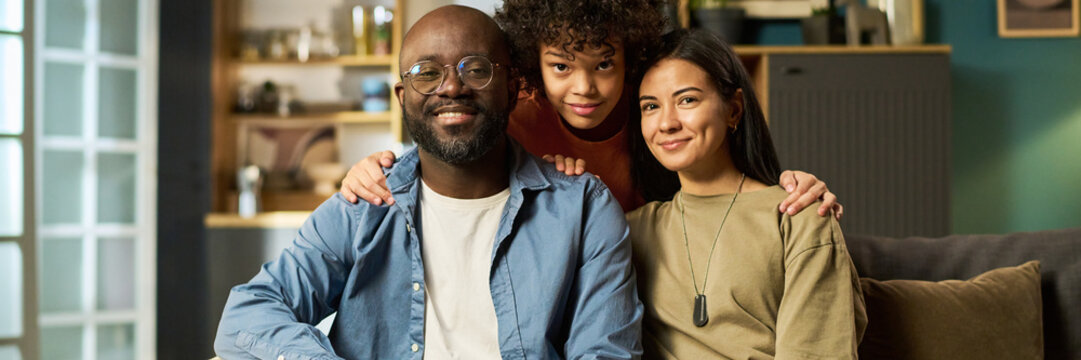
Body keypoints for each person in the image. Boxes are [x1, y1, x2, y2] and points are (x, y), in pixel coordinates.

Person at [214, 6, 643, 359]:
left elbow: (605, 352)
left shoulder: (584, 208)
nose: (452, 87)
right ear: (403, 98)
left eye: (475, 69)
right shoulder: (364, 204)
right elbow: (248, 314)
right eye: (426, 73)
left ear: (513, 89)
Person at [339, 0, 844, 218]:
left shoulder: (655, 114)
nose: (585, 88)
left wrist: (795, 188)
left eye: (604, 64)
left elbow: (728, 182)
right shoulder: (514, 114)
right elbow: (442, 153)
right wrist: (372, 170)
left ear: (631, 57)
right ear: (532, 68)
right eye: (561, 67)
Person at [627, 29, 866, 359]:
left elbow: (818, 351)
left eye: (687, 100)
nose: (666, 123)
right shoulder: (630, 231)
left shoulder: (799, 214)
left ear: (734, 110)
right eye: (650, 106)